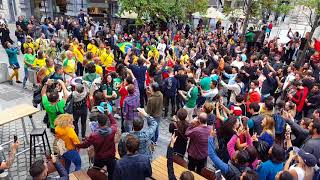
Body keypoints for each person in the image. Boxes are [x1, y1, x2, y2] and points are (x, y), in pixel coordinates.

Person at [76, 111, 117, 180]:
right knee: (111, 174)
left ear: (98, 123)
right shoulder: (112, 130)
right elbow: (114, 123)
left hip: (99, 157)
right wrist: (109, 114)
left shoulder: (94, 135)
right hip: (111, 157)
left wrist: (77, 145)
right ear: (107, 122)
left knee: (95, 173)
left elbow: (86, 144)